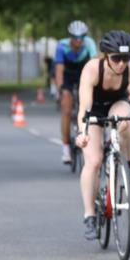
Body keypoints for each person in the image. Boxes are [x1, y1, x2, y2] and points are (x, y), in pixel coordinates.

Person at [75, 30, 130, 239]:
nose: (122, 64)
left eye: (125, 58)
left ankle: (128, 162)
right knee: (94, 161)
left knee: (127, 119)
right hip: (94, 111)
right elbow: (84, 106)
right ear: (105, 56)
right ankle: (89, 214)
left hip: (117, 104)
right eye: (116, 58)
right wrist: (82, 131)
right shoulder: (92, 69)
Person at [53, 20, 98, 164]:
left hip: (83, 74)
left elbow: (94, 65)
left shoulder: (89, 43)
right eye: (75, 37)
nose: (78, 40)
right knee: (66, 110)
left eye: (81, 37)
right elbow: (59, 70)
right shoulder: (62, 46)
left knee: (88, 106)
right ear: (70, 36)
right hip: (67, 75)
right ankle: (66, 148)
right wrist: (61, 89)